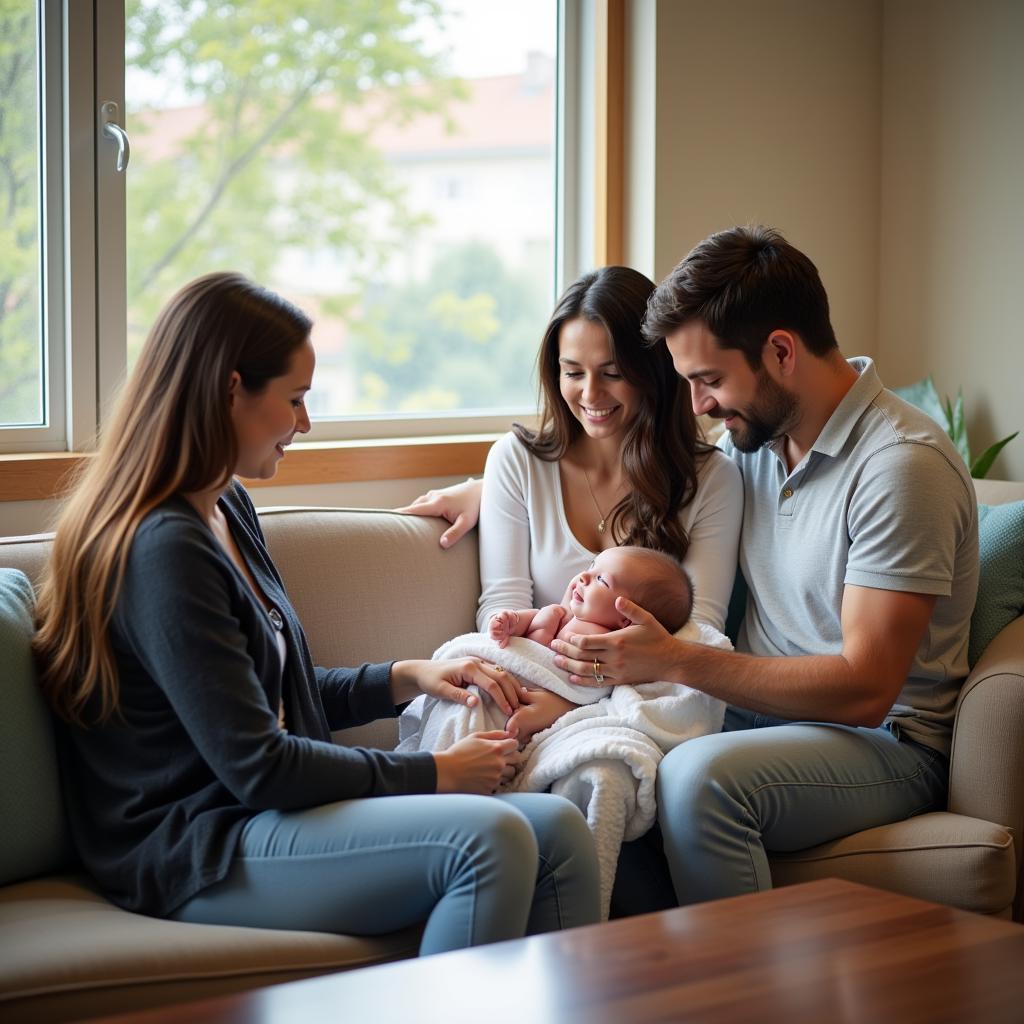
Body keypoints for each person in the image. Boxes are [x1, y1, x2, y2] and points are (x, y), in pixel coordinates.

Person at [32, 271, 600, 955]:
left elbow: (265, 693)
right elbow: (258, 765)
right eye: (295, 399)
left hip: (257, 811)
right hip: (196, 842)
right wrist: (435, 773)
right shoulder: (163, 550)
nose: (304, 423)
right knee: (490, 842)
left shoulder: (226, 508)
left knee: (560, 830)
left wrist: (404, 677)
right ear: (230, 388)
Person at [547, 225, 980, 906]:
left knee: (696, 779)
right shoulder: (753, 447)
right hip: (754, 716)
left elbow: (865, 688)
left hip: (882, 742)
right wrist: (488, 488)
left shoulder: (900, 468)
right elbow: (650, 464)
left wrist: (676, 661)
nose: (698, 406)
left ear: (780, 351)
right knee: (595, 766)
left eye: (709, 380)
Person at [397, 263, 742, 913]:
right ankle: (431, 873)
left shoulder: (710, 481)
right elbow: (502, 609)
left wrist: (570, 708)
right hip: (529, 672)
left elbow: (697, 638)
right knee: (467, 698)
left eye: (612, 371)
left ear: (653, 369)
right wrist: (541, 682)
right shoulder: (518, 462)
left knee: (604, 772)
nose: (590, 393)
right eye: (572, 370)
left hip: (626, 703)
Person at [488, 545, 694, 744]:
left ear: (627, 618)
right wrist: (512, 621)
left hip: (529, 703)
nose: (583, 577)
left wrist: (545, 626)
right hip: (499, 675)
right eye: (592, 566)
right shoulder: (567, 614)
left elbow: (574, 681)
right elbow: (527, 631)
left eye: (601, 580)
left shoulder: (605, 645)